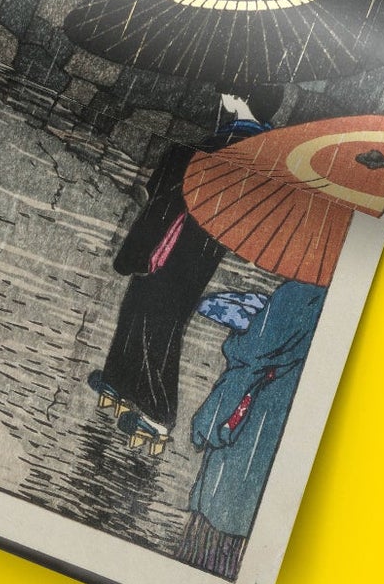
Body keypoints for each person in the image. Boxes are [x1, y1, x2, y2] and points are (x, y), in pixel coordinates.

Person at [88, 92, 274, 458]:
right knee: (144, 305)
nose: (222, 98)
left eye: (229, 92)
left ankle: (157, 413)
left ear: (240, 98)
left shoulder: (234, 144)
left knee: (160, 318)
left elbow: (179, 184)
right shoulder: (254, 146)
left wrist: (177, 161)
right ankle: (120, 379)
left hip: (182, 242)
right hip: (194, 246)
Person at [173, 279, 328, 579]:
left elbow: (251, 357)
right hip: (282, 459)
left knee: (207, 553)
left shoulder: (298, 294)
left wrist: (206, 422)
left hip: (245, 451)